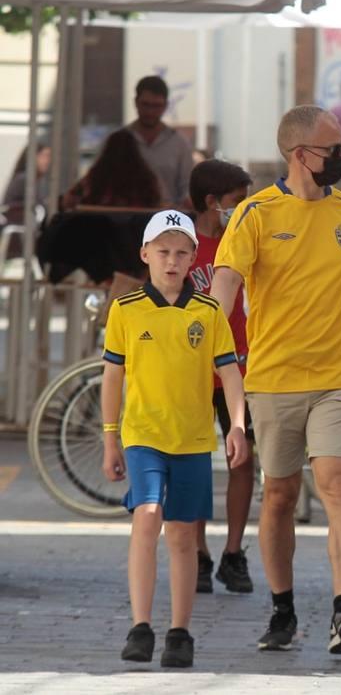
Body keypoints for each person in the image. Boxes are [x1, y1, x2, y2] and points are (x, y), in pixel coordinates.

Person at [211, 105, 341, 656]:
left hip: (339, 374)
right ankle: (282, 608)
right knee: (279, 494)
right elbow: (226, 287)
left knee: (338, 486)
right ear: (300, 154)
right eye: (333, 147)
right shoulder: (254, 214)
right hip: (273, 378)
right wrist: (204, 347)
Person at [100, 210, 248, 669]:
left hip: (192, 439)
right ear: (145, 254)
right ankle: (140, 626)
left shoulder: (207, 313)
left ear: (193, 259)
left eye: (182, 253)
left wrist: (238, 425)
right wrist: (110, 438)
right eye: (162, 252)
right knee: (147, 516)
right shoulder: (125, 310)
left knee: (183, 534)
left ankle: (180, 632)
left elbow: (230, 372)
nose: (172, 261)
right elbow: (112, 375)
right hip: (143, 434)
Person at [185, 160, 256, 595]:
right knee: (192, 462)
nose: (244, 208)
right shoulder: (182, 244)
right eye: (237, 201)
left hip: (242, 366)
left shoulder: (246, 239)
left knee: (242, 458)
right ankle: (197, 551)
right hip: (192, 370)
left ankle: (233, 551)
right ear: (213, 202)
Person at [127, 75, 194, 209]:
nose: (150, 112)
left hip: (166, 220)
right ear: (136, 102)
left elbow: (187, 186)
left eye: (156, 106)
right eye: (146, 104)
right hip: (123, 219)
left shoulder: (179, 143)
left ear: (166, 106)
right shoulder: (118, 141)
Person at [61, 128, 163, 211]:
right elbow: (156, 203)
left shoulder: (94, 177)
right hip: (136, 230)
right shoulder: (146, 179)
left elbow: (68, 201)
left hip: (99, 229)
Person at [4, 141, 51, 211]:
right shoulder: (23, 179)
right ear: (32, 157)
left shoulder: (39, 180)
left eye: (48, 156)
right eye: (43, 156)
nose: (46, 161)